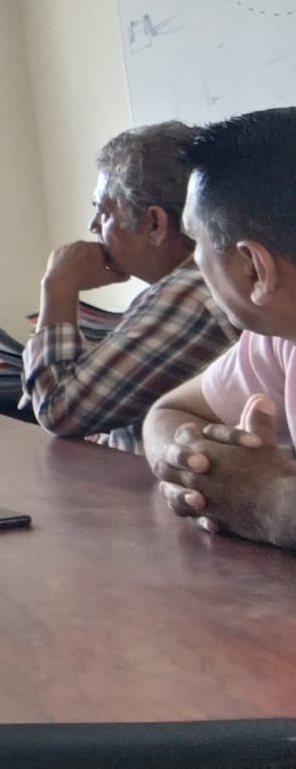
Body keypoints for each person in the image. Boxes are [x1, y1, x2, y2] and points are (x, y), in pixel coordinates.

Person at [22, 121, 238, 452]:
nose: (93, 226)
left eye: (103, 211)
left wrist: (58, 286)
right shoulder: (207, 281)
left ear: (154, 223)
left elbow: (59, 409)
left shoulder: (190, 293)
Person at [145, 107, 296, 548]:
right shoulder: (281, 337)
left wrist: (268, 502)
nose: (194, 261)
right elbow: (169, 413)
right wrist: (196, 464)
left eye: (196, 241)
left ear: (253, 267)